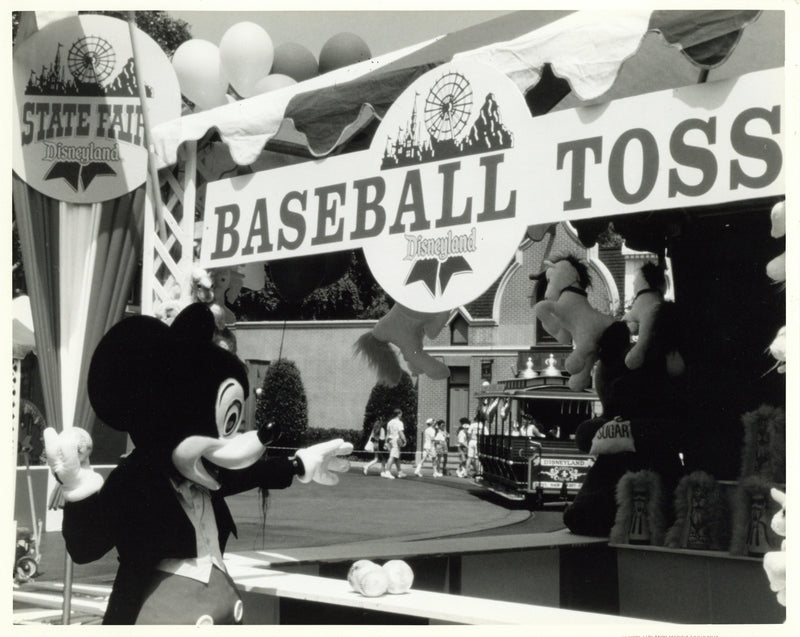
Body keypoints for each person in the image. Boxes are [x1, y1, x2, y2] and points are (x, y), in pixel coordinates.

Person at [384, 408, 407, 479]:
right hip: (395, 440)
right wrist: (404, 440)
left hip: (390, 440)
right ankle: (387, 472)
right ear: (399, 414)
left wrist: (386, 442)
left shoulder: (390, 422)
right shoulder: (399, 422)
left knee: (396, 456)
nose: (401, 415)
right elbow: (401, 432)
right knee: (392, 456)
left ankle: (399, 472)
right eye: (401, 413)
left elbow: (387, 434)